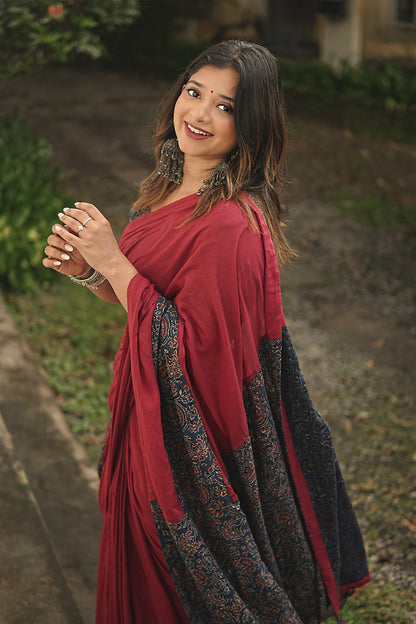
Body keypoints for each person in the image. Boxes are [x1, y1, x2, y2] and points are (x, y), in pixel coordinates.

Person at [43, 40, 369, 624]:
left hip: (185, 452)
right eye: (194, 92)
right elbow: (149, 306)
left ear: (251, 125)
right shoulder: (169, 188)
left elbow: (198, 354)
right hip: (143, 417)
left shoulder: (228, 224)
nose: (198, 114)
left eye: (224, 106)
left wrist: (114, 263)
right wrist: (89, 272)